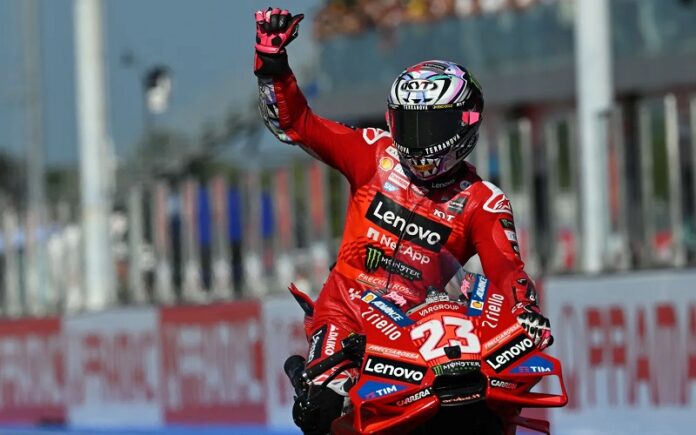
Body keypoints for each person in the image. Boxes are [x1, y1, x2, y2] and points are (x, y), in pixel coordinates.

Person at [254, 7, 552, 434]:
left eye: (432, 126)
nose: (419, 139)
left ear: (466, 123)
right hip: (346, 310)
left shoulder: (483, 200)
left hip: (419, 326)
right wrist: (273, 65)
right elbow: (298, 124)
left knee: (485, 404)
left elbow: (507, 269)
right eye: (410, 124)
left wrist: (525, 310)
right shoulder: (372, 152)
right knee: (317, 411)